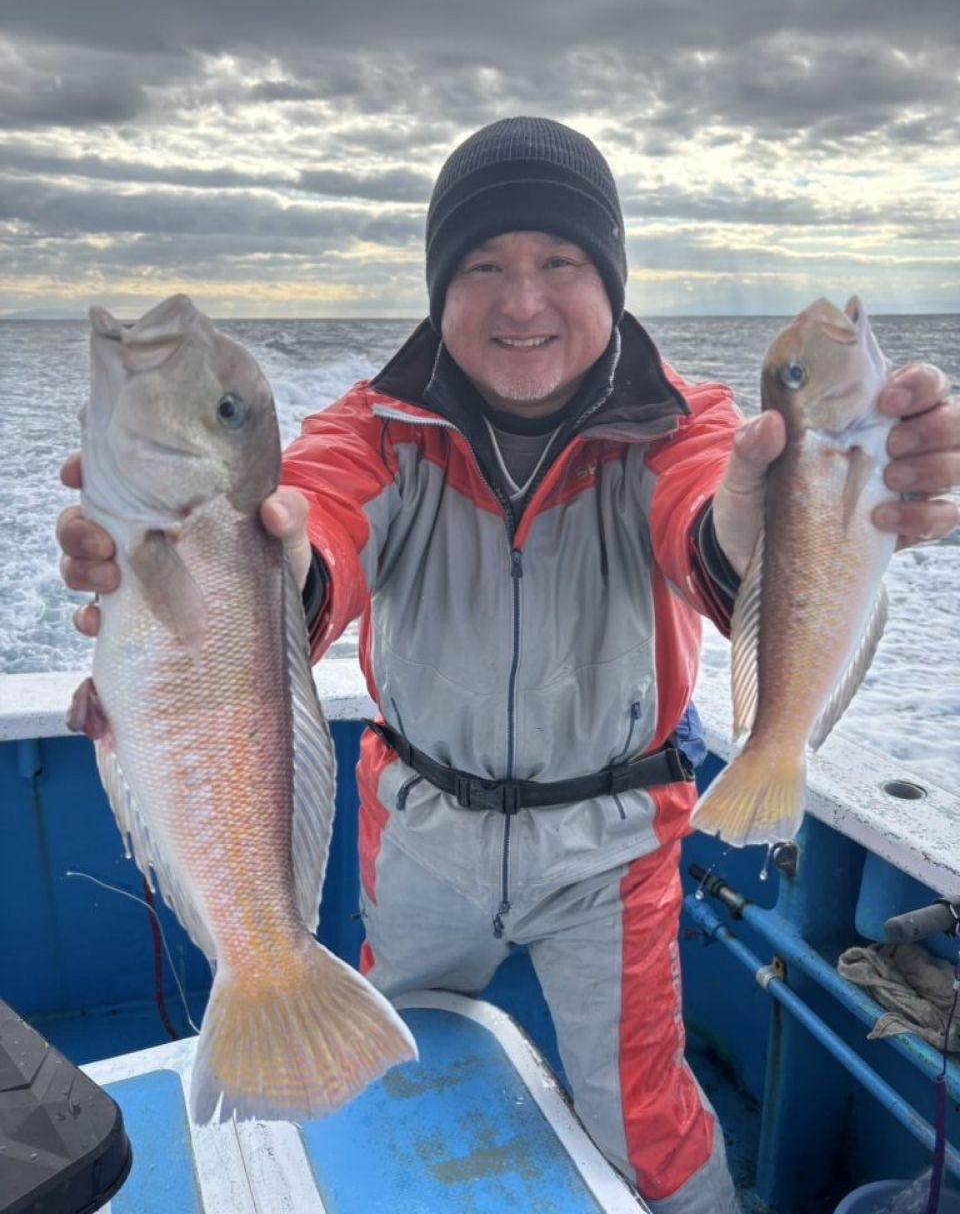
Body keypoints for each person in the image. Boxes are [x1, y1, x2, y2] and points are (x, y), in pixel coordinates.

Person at [57, 117, 960, 1213]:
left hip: (612, 851)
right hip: (424, 829)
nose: (521, 301)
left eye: (559, 263)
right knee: (398, 1080)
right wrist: (238, 590)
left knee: (649, 1119)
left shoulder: (683, 428)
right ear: (441, 288)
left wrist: (794, 517)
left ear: (610, 280)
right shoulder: (374, 429)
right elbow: (312, 541)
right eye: (483, 265)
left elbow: (712, 535)